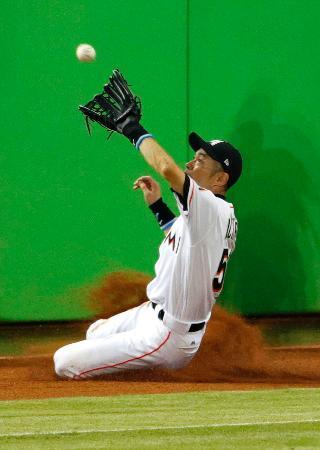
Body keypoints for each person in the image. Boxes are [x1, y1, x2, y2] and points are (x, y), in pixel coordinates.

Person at [54, 70, 242, 379]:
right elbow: (184, 244)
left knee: (64, 362)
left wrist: (132, 128)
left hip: (168, 335)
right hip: (153, 315)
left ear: (221, 178)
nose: (190, 164)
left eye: (200, 161)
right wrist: (158, 208)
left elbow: (166, 166)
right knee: (95, 333)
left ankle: (139, 384)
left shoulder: (209, 207)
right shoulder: (213, 214)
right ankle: (128, 360)